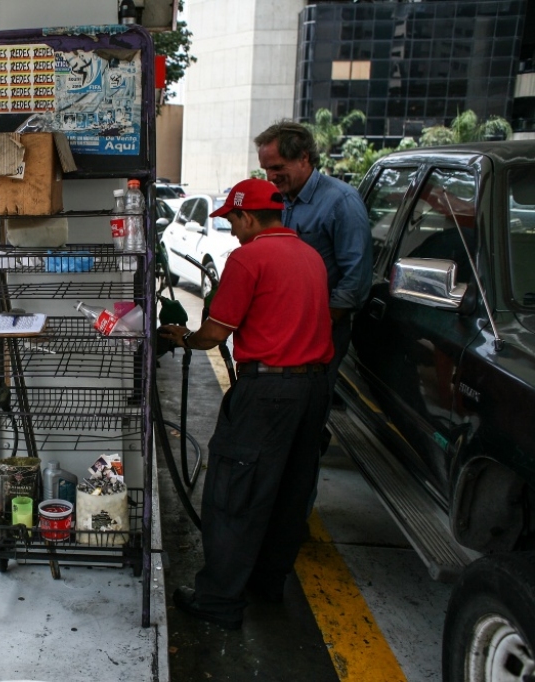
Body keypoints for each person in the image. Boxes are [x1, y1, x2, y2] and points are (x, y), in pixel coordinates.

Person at [159, 179, 333, 630]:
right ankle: (267, 583)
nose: (232, 231)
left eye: (233, 220)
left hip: (267, 393)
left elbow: (215, 332)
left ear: (249, 217)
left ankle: (218, 601)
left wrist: (184, 338)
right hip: (313, 391)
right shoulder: (311, 256)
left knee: (235, 491)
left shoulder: (249, 257)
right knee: (289, 491)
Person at [254, 121, 372, 412]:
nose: (271, 177)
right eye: (266, 169)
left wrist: (322, 323)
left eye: (278, 167)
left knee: (307, 410)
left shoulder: (341, 202)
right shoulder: (279, 201)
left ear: (304, 158)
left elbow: (354, 279)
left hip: (321, 330)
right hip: (284, 329)